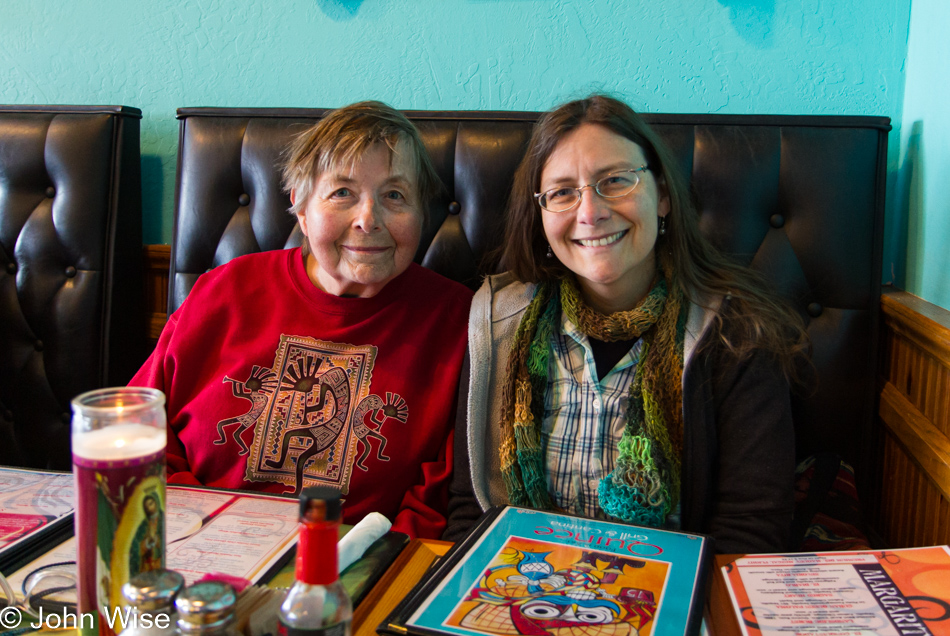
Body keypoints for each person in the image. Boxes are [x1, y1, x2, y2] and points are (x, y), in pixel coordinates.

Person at [445, 95, 808, 553]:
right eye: (561, 192)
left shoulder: (736, 333)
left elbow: (748, 530)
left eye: (614, 180)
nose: (590, 212)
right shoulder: (496, 322)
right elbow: (468, 507)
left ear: (663, 196)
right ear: (540, 216)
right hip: (520, 585)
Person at [132, 101, 474, 539]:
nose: (368, 220)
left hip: (357, 572)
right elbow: (138, 430)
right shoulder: (223, 291)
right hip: (193, 546)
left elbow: (438, 500)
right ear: (300, 205)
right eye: (342, 193)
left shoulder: (459, 322)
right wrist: (197, 533)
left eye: (394, 195)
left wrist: (371, 566)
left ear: (421, 213)